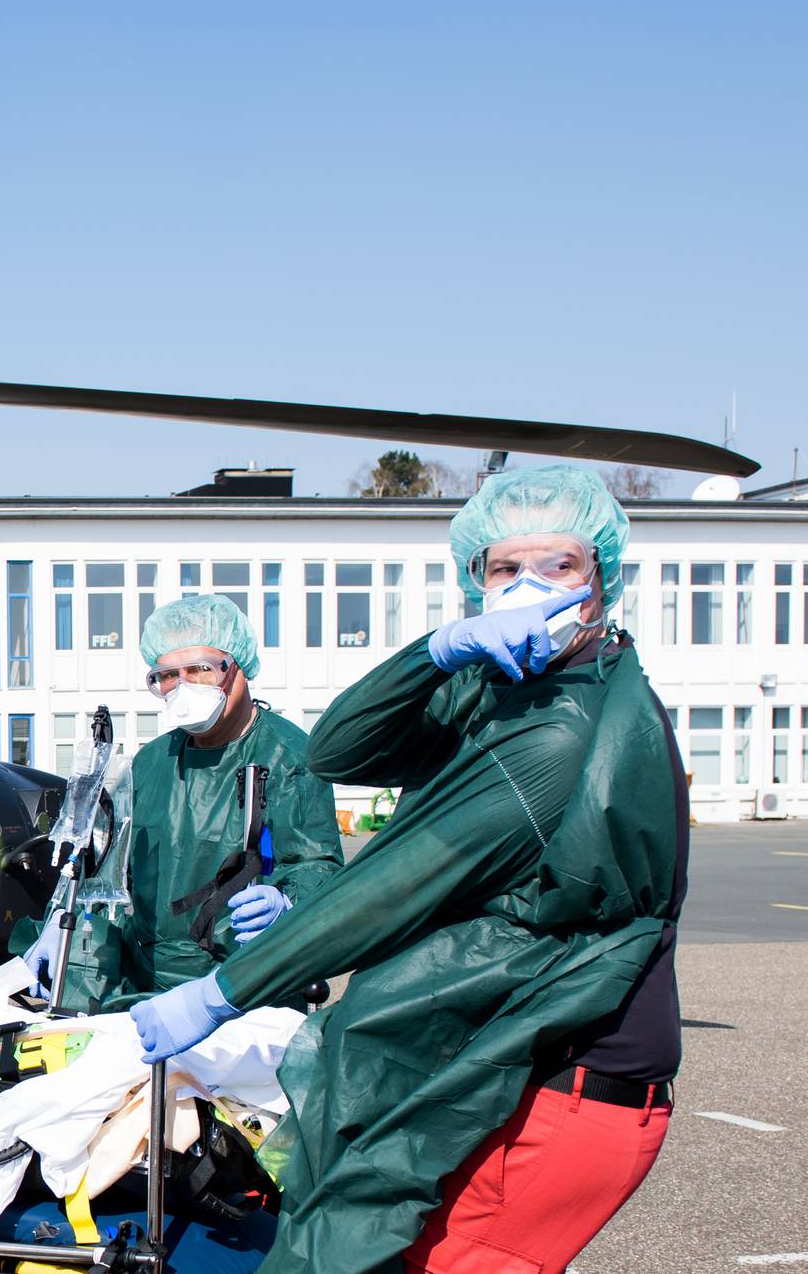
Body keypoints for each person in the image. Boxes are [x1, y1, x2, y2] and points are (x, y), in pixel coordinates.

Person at [129, 466, 689, 1274]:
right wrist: (435, 654)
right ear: (474, 577)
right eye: (504, 569)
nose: (527, 586)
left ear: (603, 576)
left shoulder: (557, 736)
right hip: (510, 1051)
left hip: (563, 1080)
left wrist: (224, 991)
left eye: (557, 566)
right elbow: (342, 750)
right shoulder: (511, 690)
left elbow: (387, 887)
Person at [25, 594, 344, 1011]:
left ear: (238, 668)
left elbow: (315, 864)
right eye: (168, 675)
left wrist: (288, 905)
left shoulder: (289, 757)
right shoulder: (151, 762)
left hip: (246, 988)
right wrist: (61, 924)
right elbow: (107, 870)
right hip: (147, 985)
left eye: (200, 669)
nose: (184, 686)